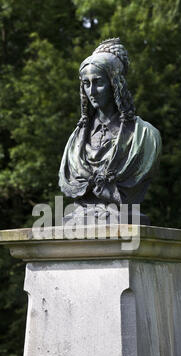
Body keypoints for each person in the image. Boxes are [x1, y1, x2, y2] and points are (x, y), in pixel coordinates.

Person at [58, 38, 161, 225]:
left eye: (98, 82)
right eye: (86, 84)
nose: (92, 91)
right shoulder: (75, 140)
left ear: (115, 83)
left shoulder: (145, 136)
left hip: (121, 219)